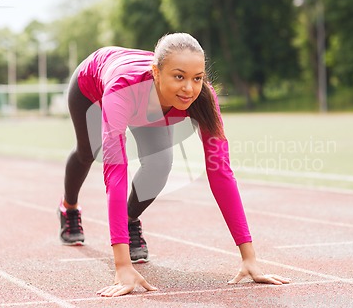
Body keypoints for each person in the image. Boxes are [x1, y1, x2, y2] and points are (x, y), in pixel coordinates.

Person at [58, 32, 290, 296]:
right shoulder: (123, 87)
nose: (189, 88)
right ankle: (69, 209)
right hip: (94, 86)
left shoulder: (202, 97)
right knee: (89, 152)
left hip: (153, 100)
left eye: (197, 78)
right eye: (179, 76)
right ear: (157, 72)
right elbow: (116, 171)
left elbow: (220, 171)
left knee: (159, 165)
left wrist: (249, 258)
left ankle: (130, 218)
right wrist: (121, 265)